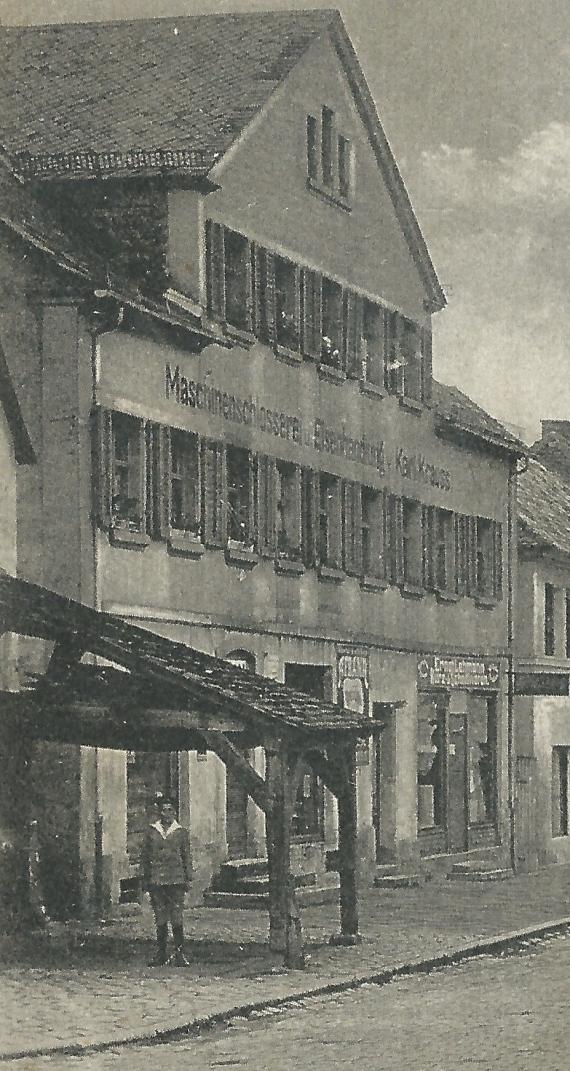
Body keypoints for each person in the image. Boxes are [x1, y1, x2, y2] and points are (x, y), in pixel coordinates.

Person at [141, 795, 192, 967]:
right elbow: (145, 856)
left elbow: (186, 856)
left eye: (170, 810)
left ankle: (180, 954)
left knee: (177, 917)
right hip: (157, 880)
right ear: (159, 812)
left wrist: (188, 878)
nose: (167, 813)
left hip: (176, 880)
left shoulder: (181, 832)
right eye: (164, 810)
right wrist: (145, 879)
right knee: (160, 917)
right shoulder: (152, 831)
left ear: (175, 812)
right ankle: (161, 954)